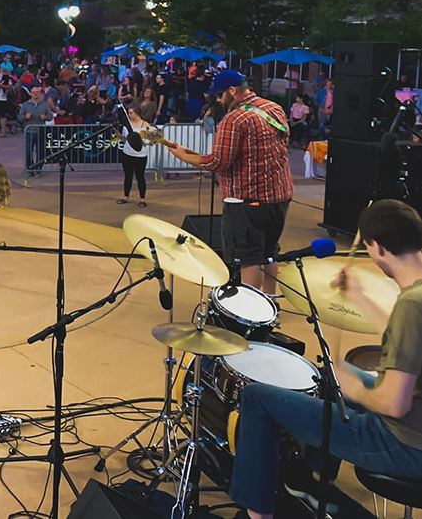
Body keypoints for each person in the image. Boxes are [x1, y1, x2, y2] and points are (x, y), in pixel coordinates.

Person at [229, 200, 422, 519]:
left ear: (375, 247)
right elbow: (407, 338)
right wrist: (359, 297)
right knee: (328, 378)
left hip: (404, 443)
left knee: (256, 397)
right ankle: (313, 483)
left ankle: (257, 513)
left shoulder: (412, 306)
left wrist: (354, 388)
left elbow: (393, 405)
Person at [168, 70, 293, 294]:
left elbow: (218, 163)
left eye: (219, 95)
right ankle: (272, 302)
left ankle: (252, 311)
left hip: (247, 200)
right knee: (269, 252)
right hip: (279, 197)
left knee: (249, 257)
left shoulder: (235, 119)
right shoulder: (274, 109)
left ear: (232, 91)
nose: (218, 100)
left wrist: (183, 156)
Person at [117, 107, 150, 208]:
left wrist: (141, 141)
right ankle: (126, 196)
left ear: (137, 113)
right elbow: (125, 139)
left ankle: (142, 199)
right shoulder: (127, 125)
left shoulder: (145, 125)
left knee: (140, 177)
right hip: (127, 154)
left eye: (131, 113)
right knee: (128, 176)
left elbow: (149, 140)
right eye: (128, 113)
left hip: (140, 155)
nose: (129, 115)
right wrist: (119, 136)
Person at [19, 86, 55, 177]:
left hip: (41, 131)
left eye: (37, 92)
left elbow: (50, 116)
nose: (35, 94)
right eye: (34, 92)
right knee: (28, 151)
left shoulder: (45, 104)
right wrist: (25, 117)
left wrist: (46, 117)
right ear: (30, 93)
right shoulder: (25, 105)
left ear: (40, 94)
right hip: (29, 131)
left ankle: (38, 169)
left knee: (41, 152)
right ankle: (30, 169)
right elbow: (19, 117)